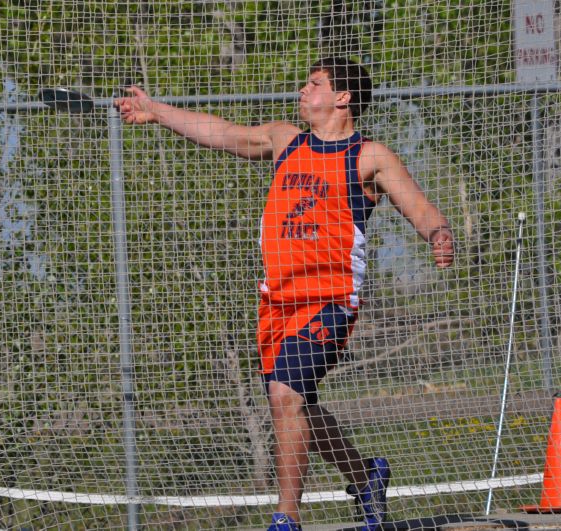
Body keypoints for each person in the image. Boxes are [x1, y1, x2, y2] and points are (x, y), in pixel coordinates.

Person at [115, 57, 455, 531]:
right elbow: (222, 131)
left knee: (283, 394)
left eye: (314, 83)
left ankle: (286, 516)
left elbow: (418, 206)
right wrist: (156, 111)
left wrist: (438, 233)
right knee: (300, 407)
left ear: (343, 97)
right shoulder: (285, 139)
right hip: (277, 303)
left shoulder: (368, 156)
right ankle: (365, 476)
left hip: (329, 301)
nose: (302, 90)